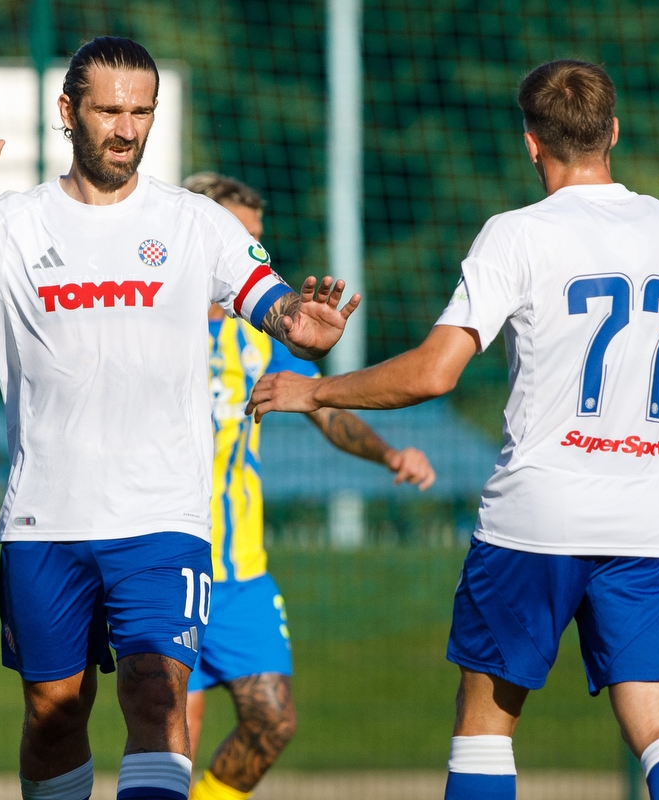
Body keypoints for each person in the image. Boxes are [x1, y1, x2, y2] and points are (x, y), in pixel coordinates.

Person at [0, 36, 358, 800]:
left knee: (157, 697)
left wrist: (304, 320)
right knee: (54, 712)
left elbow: (273, 302)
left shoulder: (197, 223)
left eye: (141, 112)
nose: (126, 128)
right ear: (69, 113)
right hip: (44, 522)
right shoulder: (11, 225)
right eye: (108, 111)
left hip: (162, 518)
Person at [247, 60, 659, 800]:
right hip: (647, 521)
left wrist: (315, 389)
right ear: (613, 131)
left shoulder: (516, 235)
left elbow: (435, 371)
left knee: (484, 723)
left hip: (536, 519)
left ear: (531, 144)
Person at [180, 172, 436, 800]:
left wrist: (387, 454)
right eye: (242, 238)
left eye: (259, 241)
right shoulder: (150, 322)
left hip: (240, 572)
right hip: (166, 565)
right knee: (168, 747)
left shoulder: (260, 334)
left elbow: (322, 405)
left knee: (273, 722)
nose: (255, 255)